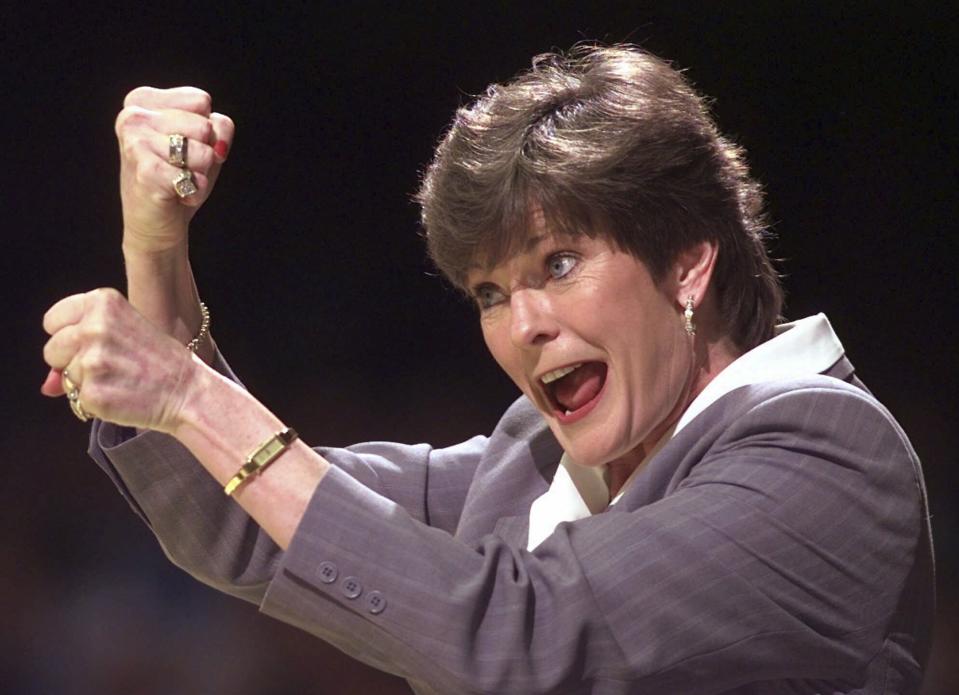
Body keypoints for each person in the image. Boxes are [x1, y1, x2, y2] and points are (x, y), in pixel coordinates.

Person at [41, 45, 933, 694]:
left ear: (687, 263)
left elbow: (520, 642)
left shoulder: (826, 452)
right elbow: (239, 516)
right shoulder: (536, 464)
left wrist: (190, 392)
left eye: (557, 265)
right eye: (488, 292)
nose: (524, 324)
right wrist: (155, 254)